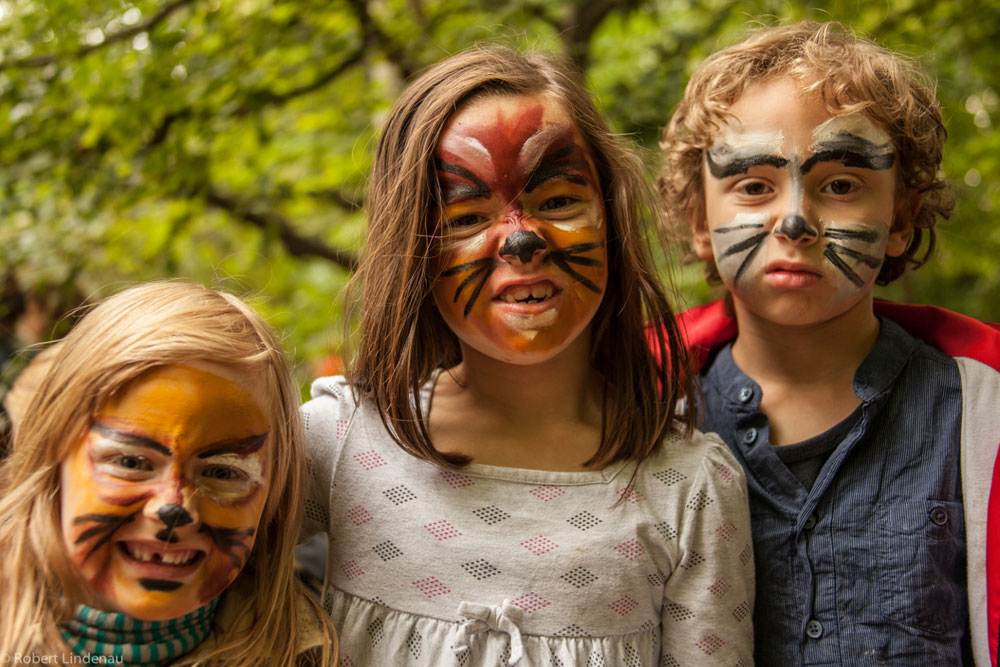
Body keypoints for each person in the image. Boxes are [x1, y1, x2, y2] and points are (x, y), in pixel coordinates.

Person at [302, 45, 754, 665]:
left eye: (560, 202)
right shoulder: (337, 443)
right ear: (414, 251)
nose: (520, 239)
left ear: (611, 219)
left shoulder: (689, 485)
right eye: (467, 215)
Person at [658, 20, 1000, 666]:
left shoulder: (983, 413)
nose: (795, 221)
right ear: (701, 221)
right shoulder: (636, 414)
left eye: (840, 185)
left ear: (899, 217)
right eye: (754, 185)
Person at [0, 282, 337, 665]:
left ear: (274, 490)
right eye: (131, 463)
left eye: (223, 472)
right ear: (53, 458)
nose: (174, 509)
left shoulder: (310, 654)